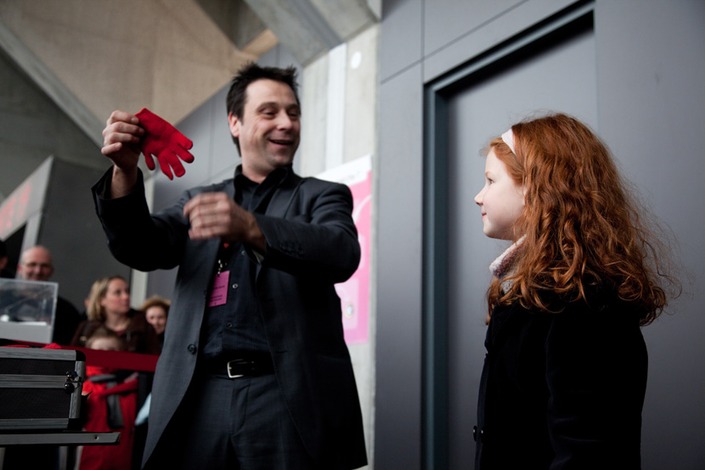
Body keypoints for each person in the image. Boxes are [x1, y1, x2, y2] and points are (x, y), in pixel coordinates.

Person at [92, 62, 367, 469]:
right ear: (235, 122)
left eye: (293, 113)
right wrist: (125, 171)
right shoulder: (197, 199)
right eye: (269, 112)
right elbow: (140, 248)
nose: (287, 124)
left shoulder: (321, 196)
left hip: (286, 398)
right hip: (198, 396)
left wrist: (252, 228)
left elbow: (341, 252)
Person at [471, 113, 678, 469]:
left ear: (537, 187)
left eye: (491, 180)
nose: (478, 196)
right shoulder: (537, 293)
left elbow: (588, 453)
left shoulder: (583, 303)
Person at [79, 326, 139, 470]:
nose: (105, 355)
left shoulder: (134, 384)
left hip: (126, 454)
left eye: (112, 350)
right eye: (99, 351)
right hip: (92, 454)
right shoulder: (82, 386)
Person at [71, 276, 160, 355]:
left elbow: (154, 361)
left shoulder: (144, 327)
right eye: (117, 293)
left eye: (127, 291)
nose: (126, 296)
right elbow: (73, 360)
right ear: (102, 300)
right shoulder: (87, 328)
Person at [16, 245, 83, 345]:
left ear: (51, 271)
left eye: (44, 266)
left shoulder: (67, 311)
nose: (38, 271)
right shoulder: (3, 302)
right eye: (32, 264)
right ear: (20, 268)